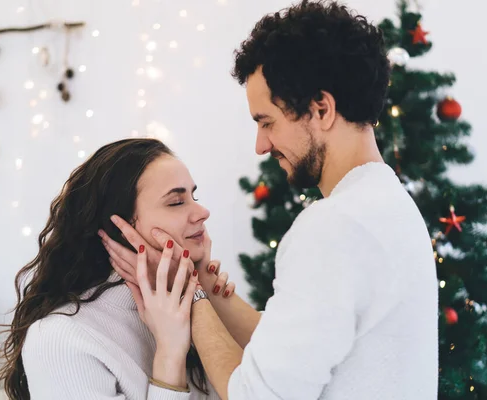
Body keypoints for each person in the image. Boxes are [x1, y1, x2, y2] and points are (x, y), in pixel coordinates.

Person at [107, 1, 438, 399]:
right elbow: (295, 353)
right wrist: (206, 285)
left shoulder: (335, 227)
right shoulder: (386, 204)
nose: (262, 145)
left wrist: (186, 293)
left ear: (322, 108)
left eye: (267, 122)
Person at [0, 138, 238, 400]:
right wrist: (169, 353)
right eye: (177, 202)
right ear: (119, 226)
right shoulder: (61, 337)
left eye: (194, 196)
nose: (202, 212)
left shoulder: (197, 308)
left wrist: (202, 293)